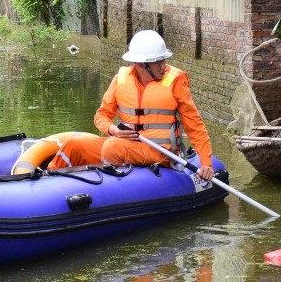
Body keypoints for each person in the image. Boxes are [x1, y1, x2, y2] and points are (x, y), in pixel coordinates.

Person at [46, 30, 215, 181]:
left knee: (113, 147)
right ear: (141, 64)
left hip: (160, 151)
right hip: (125, 144)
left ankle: (110, 191)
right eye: (158, 62)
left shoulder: (176, 82)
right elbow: (101, 115)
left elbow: (195, 125)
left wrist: (206, 162)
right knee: (74, 145)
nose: (164, 66)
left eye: (164, 60)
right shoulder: (121, 79)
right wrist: (114, 130)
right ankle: (47, 179)